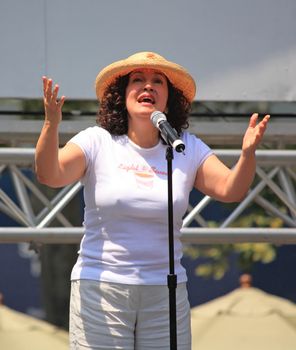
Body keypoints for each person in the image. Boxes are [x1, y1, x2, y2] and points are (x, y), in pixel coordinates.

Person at [35, 51, 270, 349]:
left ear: (169, 99)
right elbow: (49, 174)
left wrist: (248, 154)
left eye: (157, 81)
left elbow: (231, 190)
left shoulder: (185, 147)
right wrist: (50, 124)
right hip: (102, 287)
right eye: (138, 80)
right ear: (123, 95)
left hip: (164, 292)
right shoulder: (97, 140)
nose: (148, 87)